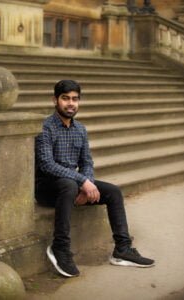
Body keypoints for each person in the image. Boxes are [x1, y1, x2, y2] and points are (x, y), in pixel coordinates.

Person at [35, 79, 155, 278]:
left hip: (73, 186)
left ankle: (122, 249)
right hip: (47, 188)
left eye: (75, 99)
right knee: (68, 185)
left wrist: (86, 183)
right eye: (65, 98)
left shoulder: (80, 129)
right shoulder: (45, 128)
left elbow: (87, 162)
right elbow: (47, 165)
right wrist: (82, 182)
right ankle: (60, 248)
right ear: (55, 100)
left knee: (114, 192)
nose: (71, 103)